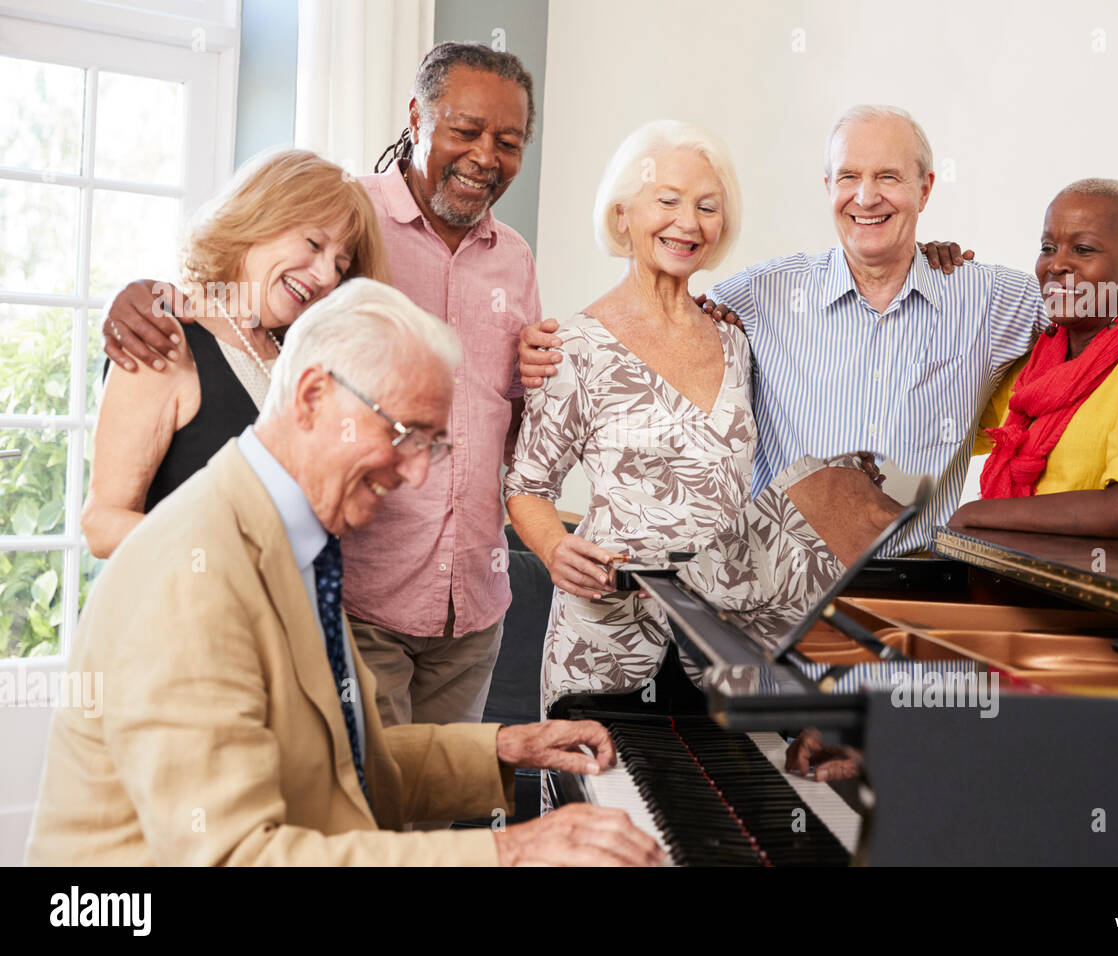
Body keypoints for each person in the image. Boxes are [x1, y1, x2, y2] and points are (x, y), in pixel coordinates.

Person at [25, 279, 663, 866]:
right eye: (404, 434)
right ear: (311, 396)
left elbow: (344, 768)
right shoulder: (192, 575)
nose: (417, 474)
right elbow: (233, 857)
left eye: (433, 445)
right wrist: (508, 852)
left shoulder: (298, 541)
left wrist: (504, 748)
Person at [519, 105, 1118, 570]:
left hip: (917, 608)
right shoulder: (760, 295)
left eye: (888, 177)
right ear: (827, 187)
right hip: (775, 607)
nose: (866, 196)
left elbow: (1093, 309)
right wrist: (551, 346)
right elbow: (662, 312)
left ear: (925, 188)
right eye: (849, 176)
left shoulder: (991, 297)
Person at [98, 43, 542, 733]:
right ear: (417, 117)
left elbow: (505, 415)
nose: (326, 271)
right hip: (349, 603)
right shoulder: (347, 210)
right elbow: (224, 282)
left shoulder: (513, 259)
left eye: (508, 141)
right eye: (465, 130)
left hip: (468, 603)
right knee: (353, 813)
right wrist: (144, 293)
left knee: (432, 805)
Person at [503, 120, 757, 712]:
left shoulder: (736, 341)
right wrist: (554, 550)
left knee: (720, 800)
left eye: (707, 206)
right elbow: (527, 487)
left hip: (724, 647)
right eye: (666, 201)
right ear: (622, 216)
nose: (688, 222)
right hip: (607, 642)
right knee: (603, 802)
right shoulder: (573, 348)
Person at [82, 148, 387, 558]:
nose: (324, 275)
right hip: (186, 616)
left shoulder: (294, 361)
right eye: (314, 243)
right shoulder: (165, 336)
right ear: (259, 218)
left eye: (340, 265)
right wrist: (226, 541)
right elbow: (102, 526)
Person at [949, 179, 1118, 537]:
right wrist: (930, 274)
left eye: (1083, 249)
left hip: (1113, 590)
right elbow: (941, 430)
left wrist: (974, 515)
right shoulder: (1033, 363)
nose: (1056, 265)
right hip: (1015, 587)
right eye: (1048, 247)